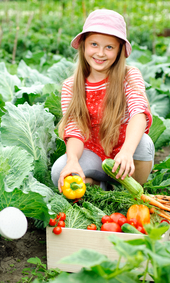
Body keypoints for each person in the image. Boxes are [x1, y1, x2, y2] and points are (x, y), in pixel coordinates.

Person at [51, 9, 154, 193]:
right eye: (94, 44)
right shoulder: (71, 86)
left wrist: (127, 151)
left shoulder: (129, 76)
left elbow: (139, 113)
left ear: (119, 50)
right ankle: (103, 186)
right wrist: (73, 160)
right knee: (60, 170)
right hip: (93, 154)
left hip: (124, 150)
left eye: (109, 47)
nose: (100, 53)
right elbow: (75, 129)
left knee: (144, 143)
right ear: (83, 45)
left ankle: (132, 191)